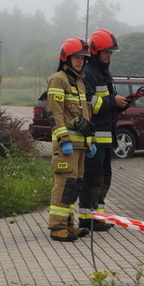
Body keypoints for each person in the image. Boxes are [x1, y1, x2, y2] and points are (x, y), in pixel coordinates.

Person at [45, 37, 97, 242]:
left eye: (83, 58)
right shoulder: (58, 79)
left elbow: (85, 115)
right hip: (66, 145)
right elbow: (54, 113)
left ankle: (68, 224)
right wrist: (63, 139)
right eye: (77, 57)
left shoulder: (79, 83)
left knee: (74, 185)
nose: (80, 61)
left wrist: (89, 141)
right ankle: (57, 227)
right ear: (66, 57)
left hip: (80, 145)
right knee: (64, 184)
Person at [78, 29, 127, 233]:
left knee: (104, 178)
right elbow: (89, 103)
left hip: (106, 139)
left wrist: (120, 104)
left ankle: (98, 217)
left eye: (111, 52)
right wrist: (111, 101)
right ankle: (86, 219)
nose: (109, 55)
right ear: (96, 51)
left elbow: (105, 103)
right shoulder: (88, 73)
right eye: (107, 52)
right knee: (92, 179)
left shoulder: (104, 73)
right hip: (95, 140)